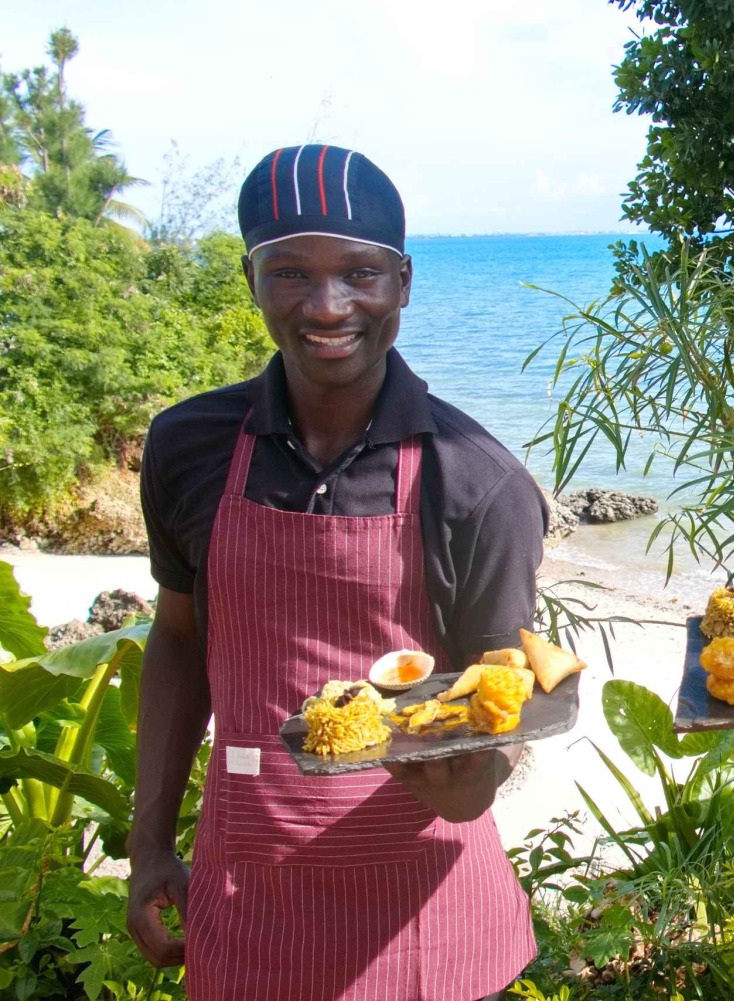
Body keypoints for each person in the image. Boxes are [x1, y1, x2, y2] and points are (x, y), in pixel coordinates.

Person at [126, 145, 546, 1000]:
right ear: (251, 279)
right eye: (290, 272)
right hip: (247, 904)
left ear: (403, 281)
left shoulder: (478, 478)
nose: (327, 305)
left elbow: (509, 694)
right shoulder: (190, 445)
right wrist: (148, 843)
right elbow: (178, 641)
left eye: (359, 272)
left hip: (426, 915)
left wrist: (477, 782)